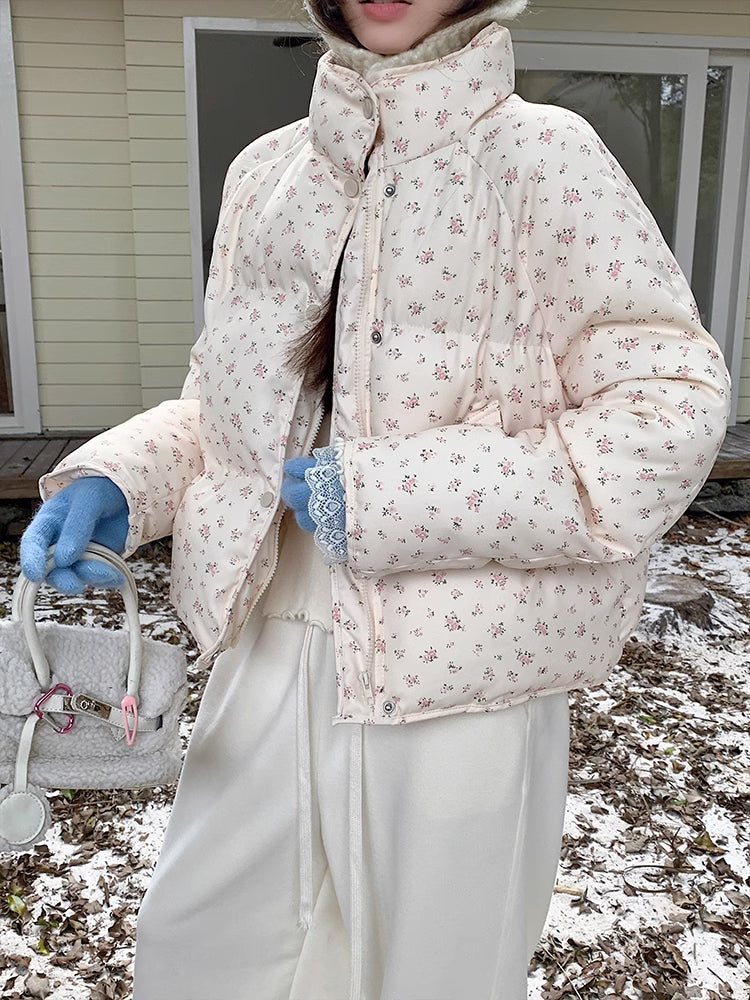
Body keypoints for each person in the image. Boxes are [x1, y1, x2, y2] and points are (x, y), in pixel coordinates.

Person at [20, 1, 730, 997]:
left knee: (431, 972)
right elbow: (225, 409)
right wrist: (120, 478)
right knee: (201, 954)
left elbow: (668, 414)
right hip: (269, 639)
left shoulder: (547, 161)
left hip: (462, 674)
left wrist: (399, 496)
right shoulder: (270, 173)